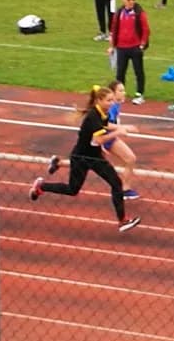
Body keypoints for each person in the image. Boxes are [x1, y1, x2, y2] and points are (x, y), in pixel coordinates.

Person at [29, 86, 141, 232]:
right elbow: (98, 140)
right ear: (99, 100)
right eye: (109, 100)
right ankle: (41, 186)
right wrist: (118, 132)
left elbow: (105, 125)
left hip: (95, 157)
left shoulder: (103, 112)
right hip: (81, 157)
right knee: (72, 189)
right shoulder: (93, 117)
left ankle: (122, 221)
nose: (112, 103)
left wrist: (124, 127)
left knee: (116, 183)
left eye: (113, 100)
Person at [109, 0, 150, 105]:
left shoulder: (138, 12)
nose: (131, 1)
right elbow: (114, 29)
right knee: (120, 72)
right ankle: (119, 95)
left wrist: (142, 45)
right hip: (121, 47)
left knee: (139, 71)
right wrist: (112, 46)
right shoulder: (119, 12)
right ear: (123, 0)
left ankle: (139, 94)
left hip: (135, 47)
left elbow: (145, 29)